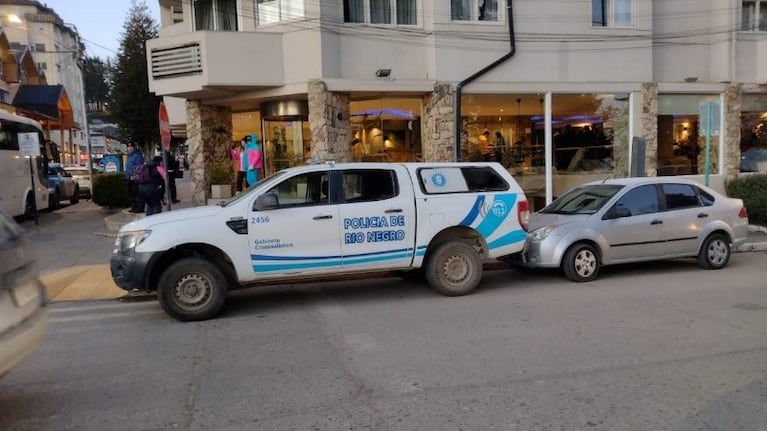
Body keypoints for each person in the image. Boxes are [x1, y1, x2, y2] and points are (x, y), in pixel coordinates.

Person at [124, 143, 145, 213]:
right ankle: (133, 207)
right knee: (131, 194)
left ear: (134, 148)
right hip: (129, 178)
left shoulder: (137, 156)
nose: (129, 148)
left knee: (136, 193)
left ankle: (139, 207)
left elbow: (139, 167)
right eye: (128, 147)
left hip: (135, 178)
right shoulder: (129, 156)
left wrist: (134, 175)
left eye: (131, 147)